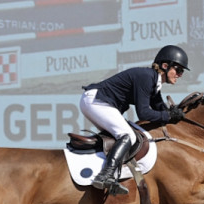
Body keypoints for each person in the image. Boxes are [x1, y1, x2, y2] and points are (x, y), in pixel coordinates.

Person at [80, 45, 189, 195]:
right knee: (128, 136)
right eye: (178, 70)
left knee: (128, 134)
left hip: (98, 102)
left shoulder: (154, 82)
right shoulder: (146, 77)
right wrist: (169, 116)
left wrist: (174, 113)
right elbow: (144, 113)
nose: (180, 74)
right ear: (165, 66)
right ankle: (106, 175)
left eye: (181, 71)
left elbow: (159, 107)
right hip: (96, 101)